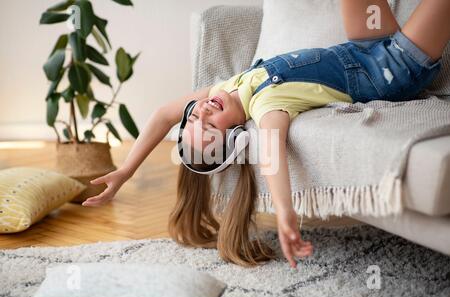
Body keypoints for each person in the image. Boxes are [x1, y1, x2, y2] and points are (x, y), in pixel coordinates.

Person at [82, 0, 449, 268]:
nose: (203, 113)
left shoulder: (228, 88)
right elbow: (271, 151)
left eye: (193, 118)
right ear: (237, 135)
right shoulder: (266, 105)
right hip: (394, 68)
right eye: (210, 127)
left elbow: (163, 114)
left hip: (365, 44)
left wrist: (127, 170)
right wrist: (286, 214)